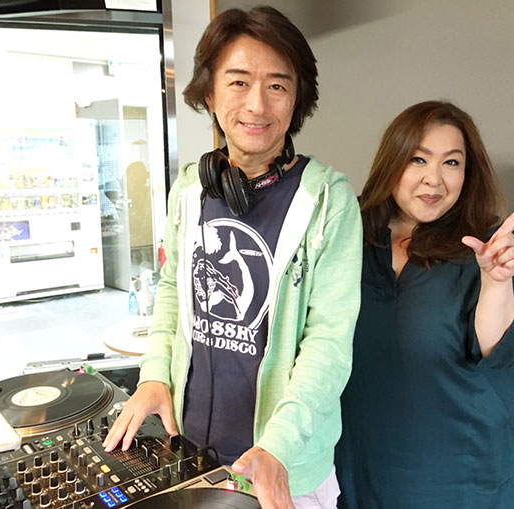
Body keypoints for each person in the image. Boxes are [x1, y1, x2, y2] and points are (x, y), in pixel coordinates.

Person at [103, 6, 362, 509]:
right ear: (210, 93)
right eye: (238, 82)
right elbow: (173, 290)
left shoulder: (329, 201)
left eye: (277, 85)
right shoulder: (188, 191)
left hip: (283, 469)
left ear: (297, 99)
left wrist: (278, 447)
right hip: (189, 451)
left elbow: (329, 344)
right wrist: (154, 374)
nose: (257, 105)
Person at [335, 100, 514, 508]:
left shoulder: (489, 246)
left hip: (460, 472)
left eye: (452, 163)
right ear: (392, 163)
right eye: (418, 159)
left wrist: (496, 283)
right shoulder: (350, 233)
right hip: (360, 460)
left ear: (468, 173)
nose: (434, 179)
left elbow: (495, 351)